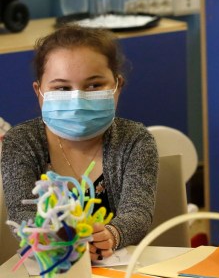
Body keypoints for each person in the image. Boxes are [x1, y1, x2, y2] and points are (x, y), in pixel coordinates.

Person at [1, 25, 158, 262]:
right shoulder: (21, 142)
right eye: (62, 88)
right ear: (39, 91)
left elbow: (137, 213)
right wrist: (52, 237)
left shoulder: (135, 140)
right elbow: (22, 213)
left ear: (118, 86)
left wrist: (110, 235)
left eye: (94, 85)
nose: (77, 98)